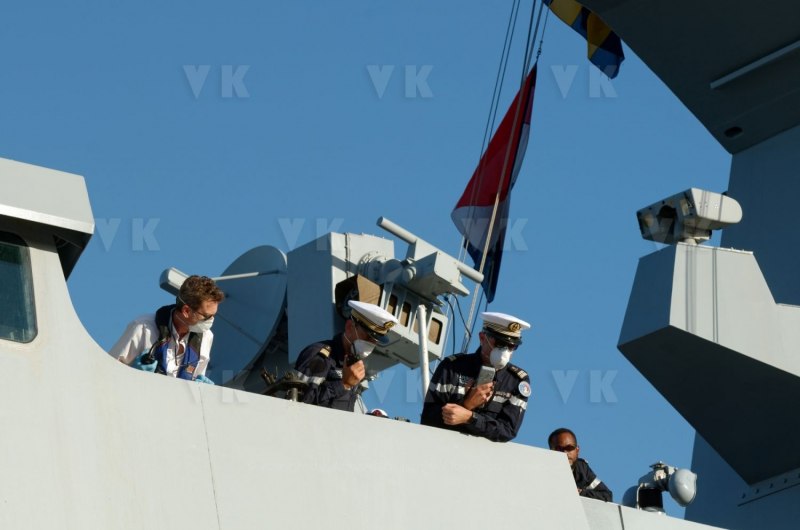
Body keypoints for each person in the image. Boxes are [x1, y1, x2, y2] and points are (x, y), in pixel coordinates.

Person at [420, 312, 532, 442]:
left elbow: (507, 431)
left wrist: (470, 417)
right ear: (482, 338)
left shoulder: (517, 380)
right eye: (500, 344)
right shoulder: (451, 367)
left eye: (512, 346)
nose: (505, 351)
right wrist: (467, 404)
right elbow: (428, 418)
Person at [109, 275, 224, 384]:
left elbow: (196, 381)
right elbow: (108, 372)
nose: (211, 320)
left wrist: (202, 388)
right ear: (186, 311)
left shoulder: (206, 336)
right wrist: (133, 374)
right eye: (206, 316)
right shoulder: (143, 327)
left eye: (213, 315)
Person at [293, 300, 398, 412]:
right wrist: (344, 384)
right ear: (349, 327)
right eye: (368, 337)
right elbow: (298, 404)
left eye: (375, 341)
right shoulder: (320, 354)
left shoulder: (352, 364)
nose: (371, 344)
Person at [548, 427, 613, 501]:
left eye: (569, 448)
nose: (565, 453)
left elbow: (606, 495)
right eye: (559, 449)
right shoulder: (542, 469)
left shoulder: (582, 468)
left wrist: (581, 493)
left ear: (577, 450)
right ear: (551, 451)